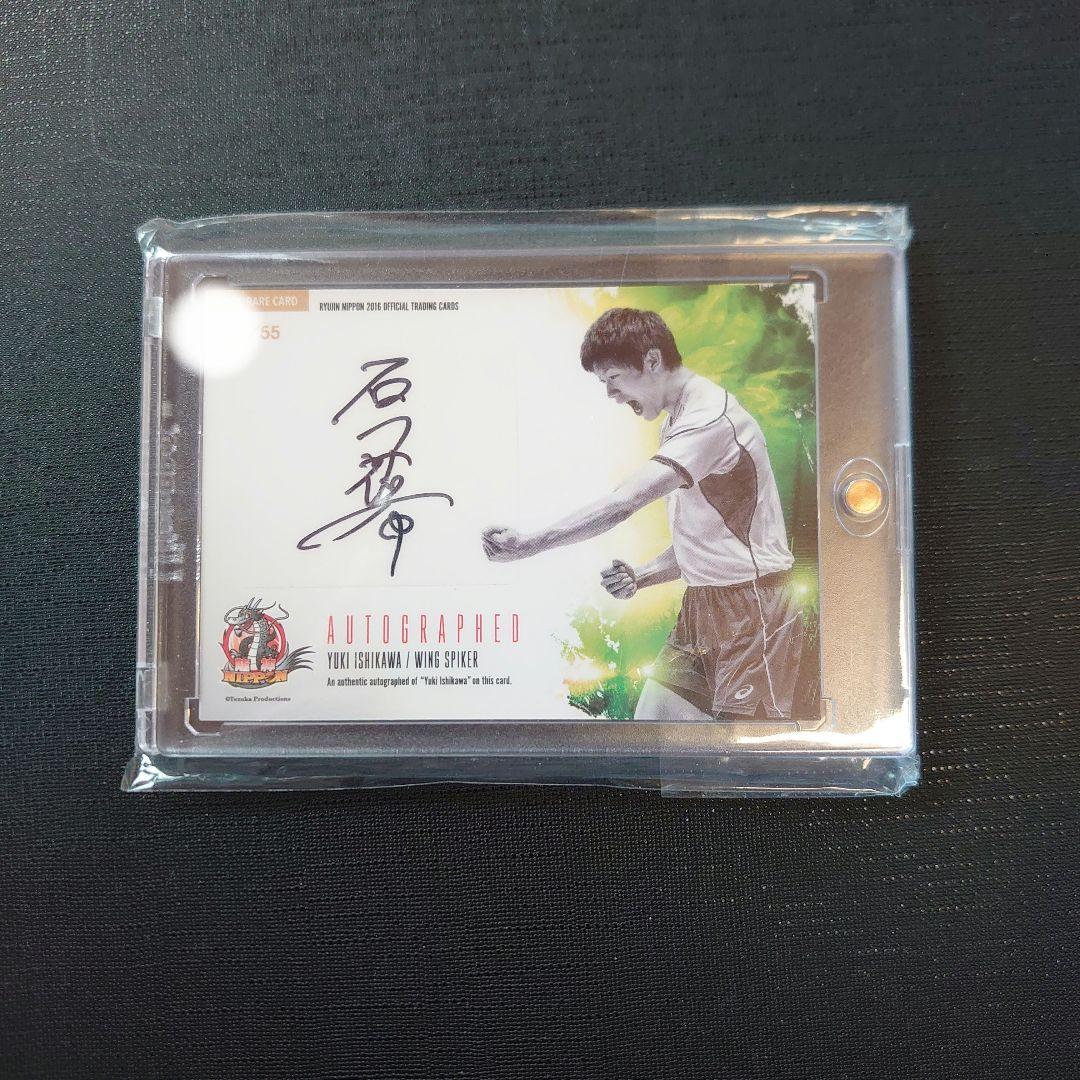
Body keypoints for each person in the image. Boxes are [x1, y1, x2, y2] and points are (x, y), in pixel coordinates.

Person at [482, 307, 815, 722]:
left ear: (653, 360)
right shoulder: (676, 420)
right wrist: (642, 576)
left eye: (614, 378)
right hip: (703, 604)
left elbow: (623, 503)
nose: (611, 394)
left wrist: (530, 544)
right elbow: (711, 541)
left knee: (736, 752)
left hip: (754, 609)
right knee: (652, 722)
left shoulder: (709, 419)